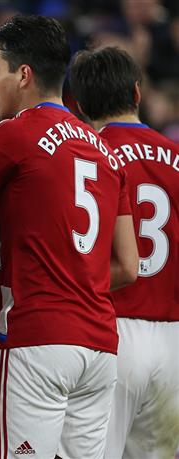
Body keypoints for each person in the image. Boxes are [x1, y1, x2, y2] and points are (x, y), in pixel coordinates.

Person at [0, 15, 138, 458]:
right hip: (100, 346)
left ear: (23, 75)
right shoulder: (104, 150)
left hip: (37, 337)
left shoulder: (16, 134)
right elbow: (127, 266)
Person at [70, 46, 179, 459]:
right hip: (173, 337)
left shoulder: (84, 157)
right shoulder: (175, 155)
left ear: (80, 105)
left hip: (109, 328)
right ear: (137, 92)